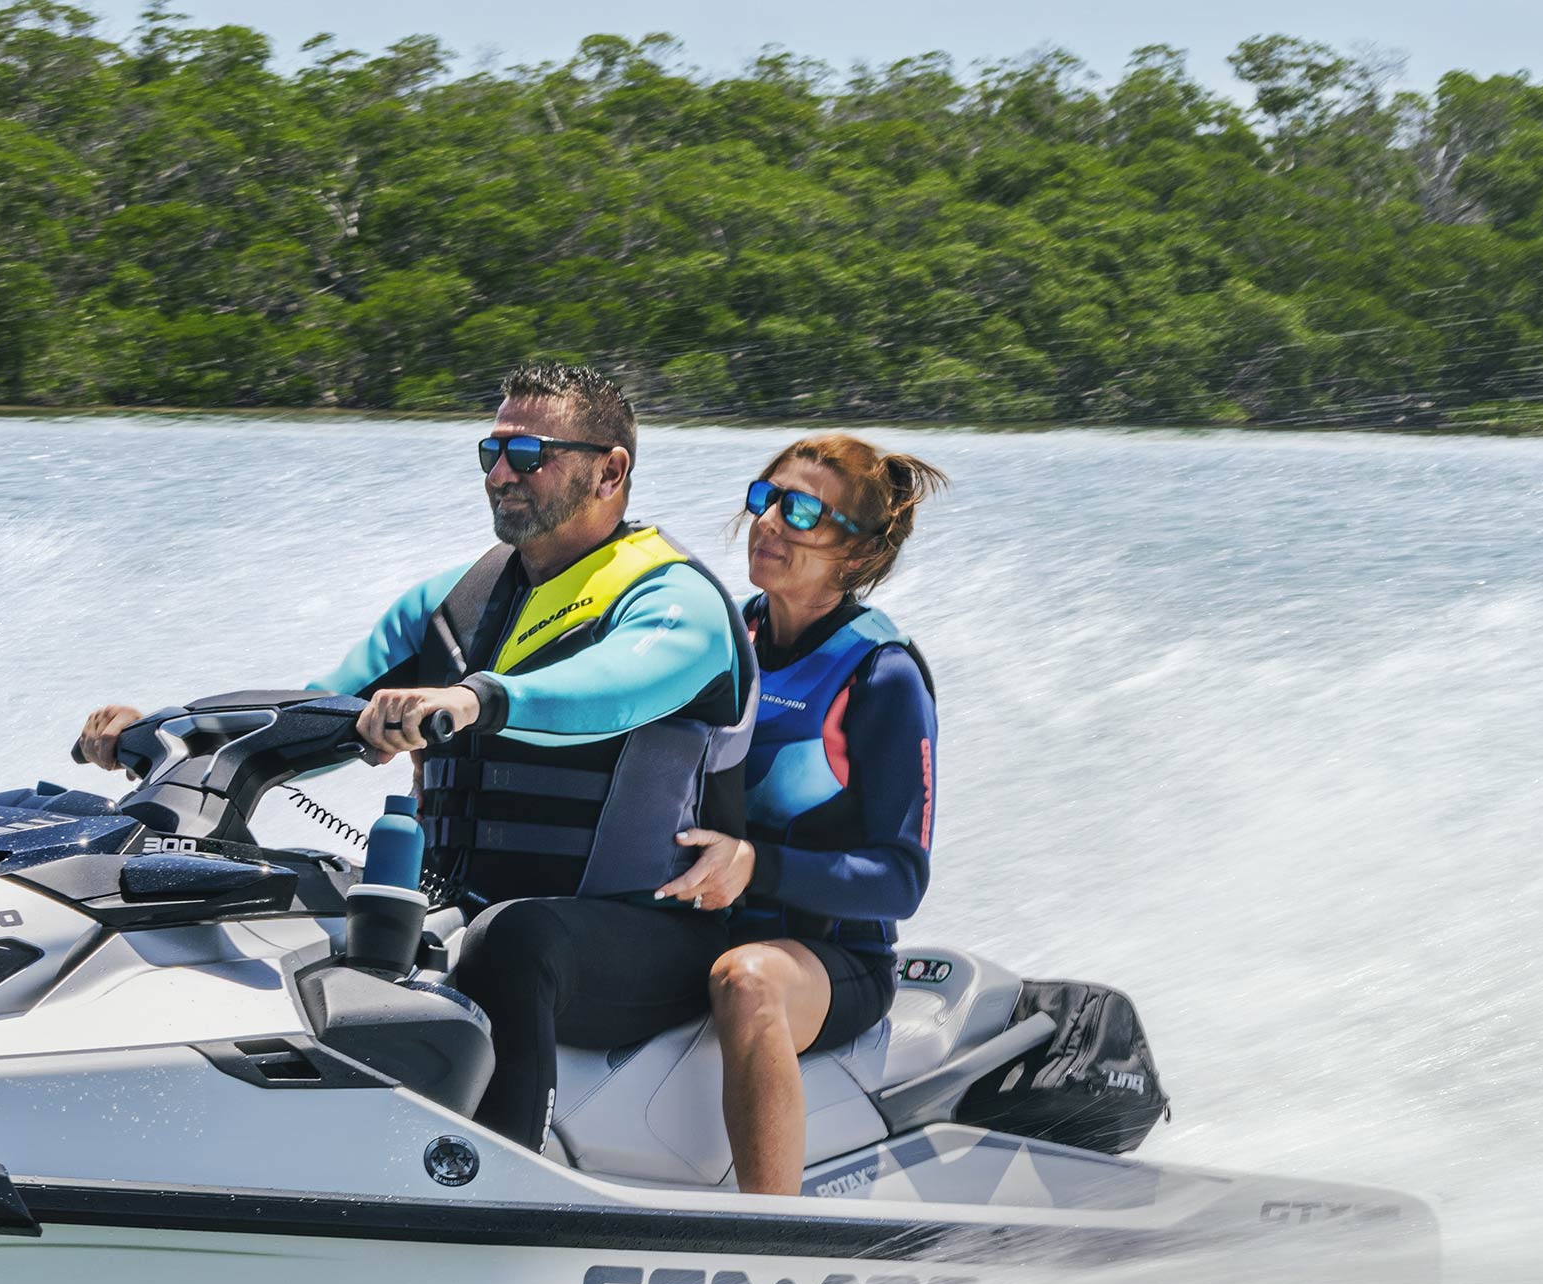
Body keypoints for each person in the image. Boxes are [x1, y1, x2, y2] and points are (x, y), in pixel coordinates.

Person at [67, 360, 758, 1152]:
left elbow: (612, 688)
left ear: (611, 470)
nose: (502, 474)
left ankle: (500, 1195)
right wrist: (158, 731)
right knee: (293, 898)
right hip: (460, 897)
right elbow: (315, 709)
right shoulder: (448, 607)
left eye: (529, 454)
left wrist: (477, 700)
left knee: (516, 939)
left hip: (649, 932)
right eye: (490, 452)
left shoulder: (678, 604)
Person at [659, 434, 941, 1190]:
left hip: (829, 962)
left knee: (746, 979)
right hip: (690, 931)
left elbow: (899, 881)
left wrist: (756, 868)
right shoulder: (717, 638)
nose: (771, 522)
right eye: (765, 497)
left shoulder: (882, 674)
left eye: (804, 511)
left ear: (857, 554)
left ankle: (770, 1233)